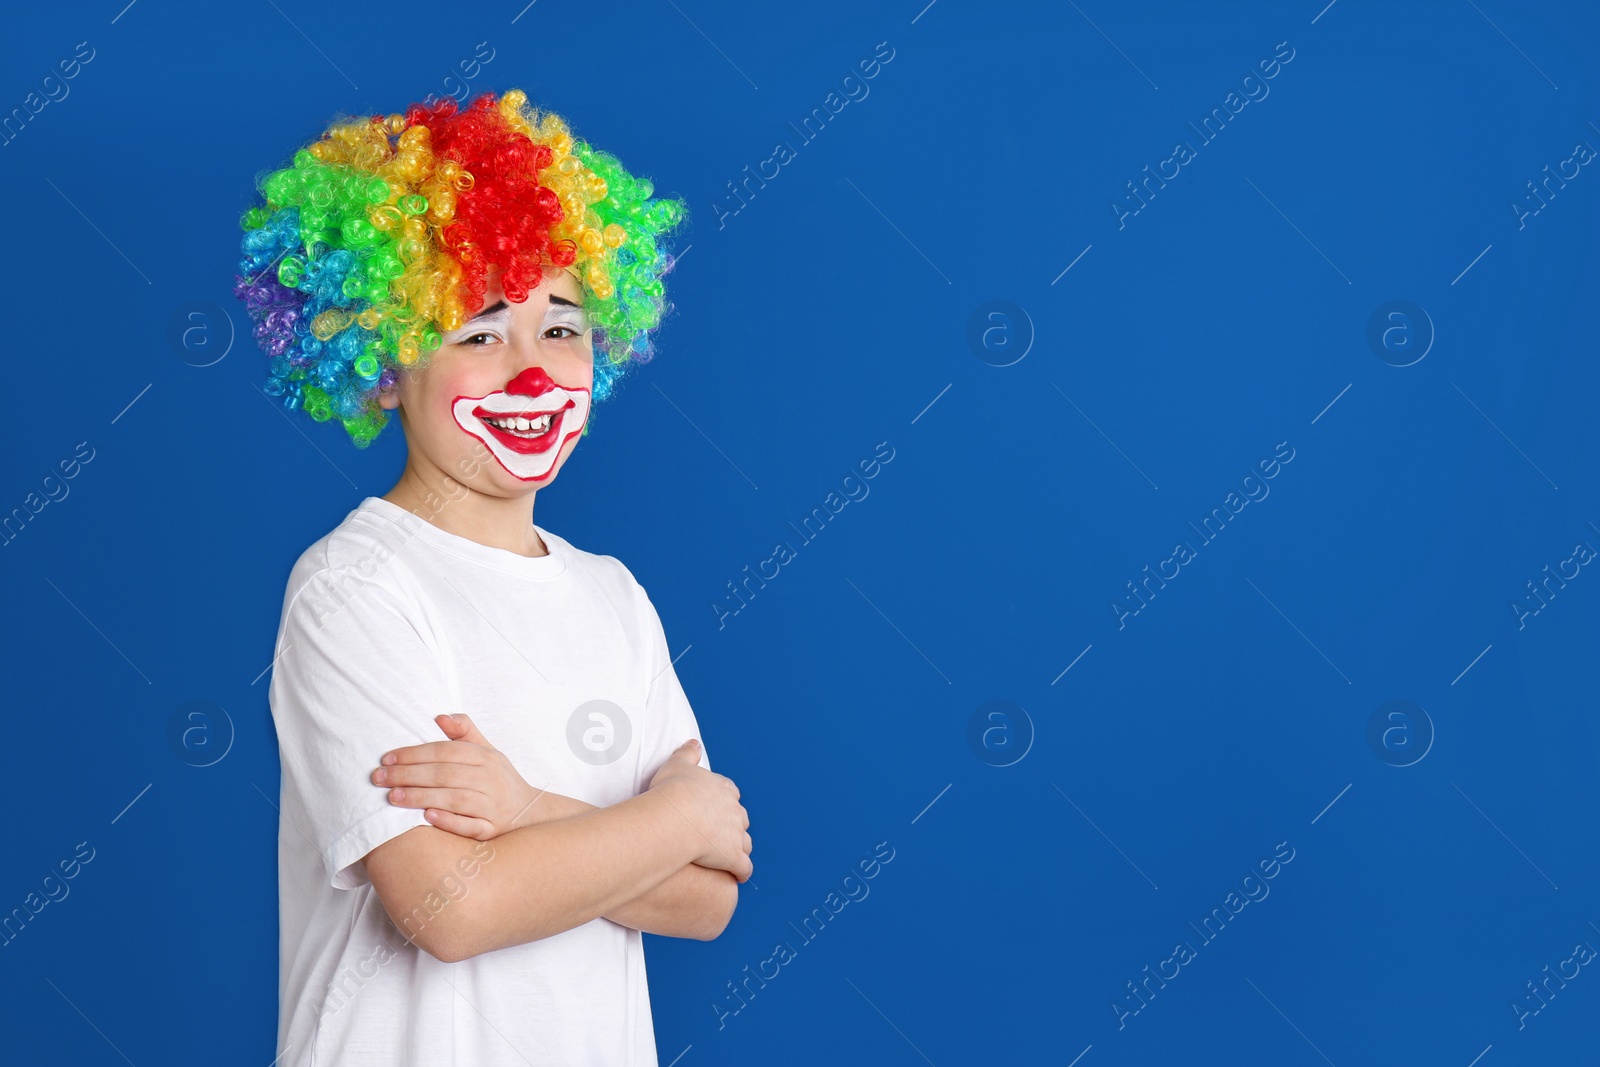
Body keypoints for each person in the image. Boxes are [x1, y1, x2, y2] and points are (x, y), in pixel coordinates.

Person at [236, 88, 753, 1066]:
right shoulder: (354, 589)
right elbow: (452, 905)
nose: (531, 369)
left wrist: (524, 812)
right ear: (387, 361)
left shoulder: (614, 595)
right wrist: (672, 816)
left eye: (560, 328)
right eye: (478, 332)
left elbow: (707, 894)